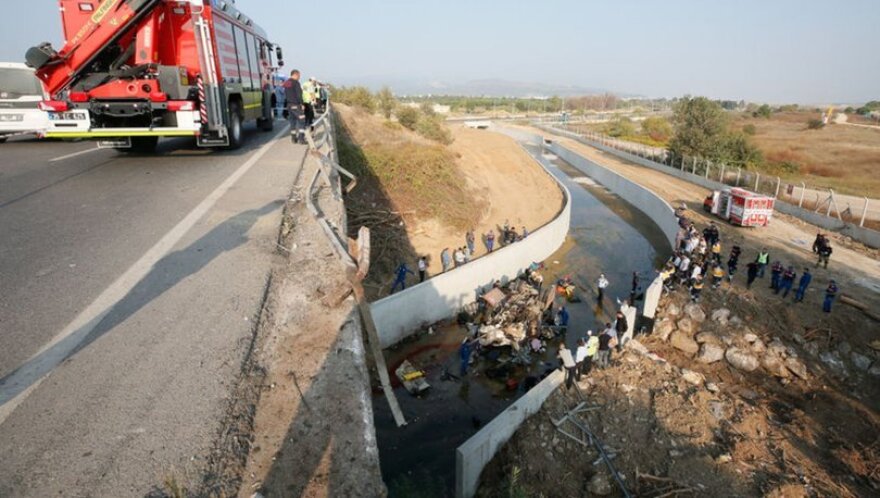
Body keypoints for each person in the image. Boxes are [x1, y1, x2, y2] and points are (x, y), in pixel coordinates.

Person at [283, 69, 305, 144]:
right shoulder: (296, 83)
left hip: (289, 105)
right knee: (302, 121)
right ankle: (301, 139)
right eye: (299, 75)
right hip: (296, 105)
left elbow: (286, 94)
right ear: (295, 74)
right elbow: (299, 94)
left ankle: (293, 138)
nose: (299, 77)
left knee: (292, 122)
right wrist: (301, 104)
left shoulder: (287, 83)